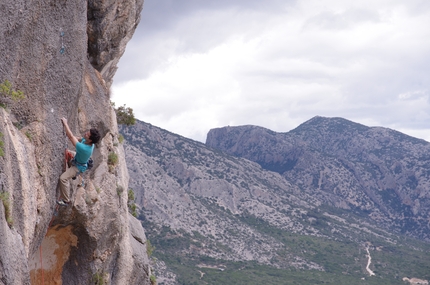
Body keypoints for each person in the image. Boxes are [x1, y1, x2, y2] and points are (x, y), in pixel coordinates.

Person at [57, 117, 100, 206]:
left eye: (88, 134)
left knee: (63, 178)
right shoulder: (88, 141)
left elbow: (71, 137)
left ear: (91, 139)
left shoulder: (85, 148)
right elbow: (79, 139)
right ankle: (78, 177)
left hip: (78, 167)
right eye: (88, 132)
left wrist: (65, 124)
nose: (86, 133)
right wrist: (73, 138)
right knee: (68, 153)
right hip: (79, 159)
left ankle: (66, 200)